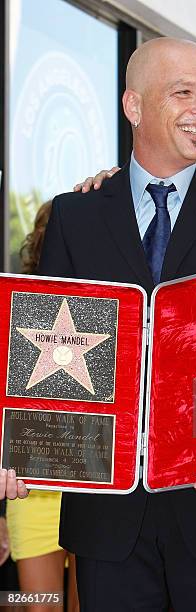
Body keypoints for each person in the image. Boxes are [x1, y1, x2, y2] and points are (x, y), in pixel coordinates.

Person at [1, 38, 196, 611]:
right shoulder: (76, 215)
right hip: (109, 522)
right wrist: (26, 451)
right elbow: (48, 359)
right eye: (183, 93)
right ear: (134, 107)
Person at [3, 201, 79, 612]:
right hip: (29, 494)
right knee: (41, 608)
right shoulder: (15, 309)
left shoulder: (108, 305)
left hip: (95, 492)